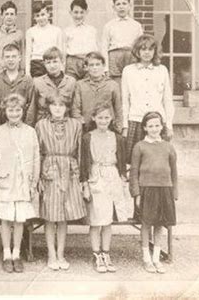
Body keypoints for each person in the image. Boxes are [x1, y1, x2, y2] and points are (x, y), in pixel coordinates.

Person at [0, 94, 40, 273]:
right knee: (6, 219)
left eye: (18, 110)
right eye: (10, 110)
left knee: (19, 220)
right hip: (5, 181)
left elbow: (35, 158)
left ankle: (17, 254)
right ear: (5, 111)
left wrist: (33, 184)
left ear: (23, 111)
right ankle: (6, 255)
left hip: (23, 181)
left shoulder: (30, 131)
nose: (14, 113)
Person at [35, 93, 86, 271]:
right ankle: (51, 254)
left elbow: (80, 151)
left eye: (61, 105)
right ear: (48, 107)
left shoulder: (76, 125)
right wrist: (38, 177)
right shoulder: (41, 125)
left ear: (67, 108)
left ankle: (61, 253)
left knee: (63, 216)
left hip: (69, 170)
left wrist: (80, 177)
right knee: (50, 216)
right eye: (54, 105)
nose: (57, 108)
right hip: (49, 169)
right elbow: (38, 153)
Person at [80, 103, 128, 273]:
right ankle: (96, 254)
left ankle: (106, 253)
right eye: (100, 117)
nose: (103, 120)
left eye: (107, 117)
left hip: (112, 176)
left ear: (111, 118)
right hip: (95, 177)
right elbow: (84, 163)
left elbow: (121, 161)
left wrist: (122, 179)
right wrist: (85, 185)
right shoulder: (87, 138)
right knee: (95, 220)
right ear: (93, 118)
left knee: (107, 220)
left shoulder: (117, 138)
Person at [129, 111, 178, 274]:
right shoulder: (140, 146)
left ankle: (156, 257)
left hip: (165, 189)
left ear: (162, 126)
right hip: (146, 190)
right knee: (146, 223)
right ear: (144, 128)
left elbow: (174, 172)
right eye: (150, 126)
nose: (154, 129)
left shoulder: (168, 146)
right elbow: (134, 172)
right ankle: (146, 258)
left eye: (157, 125)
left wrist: (174, 192)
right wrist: (136, 193)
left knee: (160, 224)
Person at [122, 34, 174, 163]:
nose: (146, 52)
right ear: (137, 51)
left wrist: (169, 125)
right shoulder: (128, 71)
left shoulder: (162, 70)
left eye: (150, 49)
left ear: (155, 52)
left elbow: (167, 99)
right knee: (134, 161)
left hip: (156, 123)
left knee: (156, 161)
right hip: (136, 120)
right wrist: (125, 126)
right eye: (143, 49)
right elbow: (125, 100)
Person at [72, 52, 122, 134]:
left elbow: (118, 109)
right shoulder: (80, 85)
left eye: (98, 64)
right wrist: (81, 124)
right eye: (91, 65)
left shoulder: (112, 85)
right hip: (86, 128)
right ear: (86, 67)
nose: (95, 68)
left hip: (107, 127)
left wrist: (118, 129)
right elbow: (75, 109)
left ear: (103, 66)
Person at [0, 43, 34, 131]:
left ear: (19, 58)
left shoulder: (27, 80)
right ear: (3, 59)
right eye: (7, 57)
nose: (10, 60)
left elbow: (32, 106)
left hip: (22, 128)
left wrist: (25, 127)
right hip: (2, 127)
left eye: (14, 56)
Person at [26, 47, 75, 126]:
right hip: (43, 125)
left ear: (62, 62)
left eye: (55, 62)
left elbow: (74, 108)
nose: (52, 66)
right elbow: (32, 108)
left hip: (64, 125)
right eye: (48, 63)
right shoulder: (38, 82)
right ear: (44, 64)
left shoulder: (71, 82)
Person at [101, 0, 143, 85]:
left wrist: (140, 63)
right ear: (114, 7)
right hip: (114, 57)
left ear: (129, 6)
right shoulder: (109, 26)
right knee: (116, 85)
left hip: (130, 56)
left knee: (131, 83)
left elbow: (140, 47)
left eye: (124, 3)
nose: (121, 6)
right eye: (118, 4)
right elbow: (104, 47)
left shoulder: (136, 25)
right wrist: (106, 68)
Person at [0, 1, 24, 81]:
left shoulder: (19, 34)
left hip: (13, 72)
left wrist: (22, 71)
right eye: (6, 14)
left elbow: (22, 54)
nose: (9, 17)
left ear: (16, 16)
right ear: (1, 16)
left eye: (12, 14)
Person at [64, 0, 98, 81]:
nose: (78, 16)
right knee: (71, 85)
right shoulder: (66, 31)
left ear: (86, 12)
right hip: (72, 62)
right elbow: (64, 51)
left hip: (87, 61)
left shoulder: (92, 30)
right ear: (70, 12)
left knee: (87, 87)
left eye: (82, 12)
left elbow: (95, 49)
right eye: (76, 12)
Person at [25, 2, 63, 77]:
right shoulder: (30, 31)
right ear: (34, 17)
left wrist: (61, 68)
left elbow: (60, 51)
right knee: (37, 86)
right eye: (37, 16)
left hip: (51, 62)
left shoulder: (57, 30)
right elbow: (28, 53)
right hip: (36, 63)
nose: (41, 18)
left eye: (43, 14)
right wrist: (27, 71)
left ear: (48, 14)